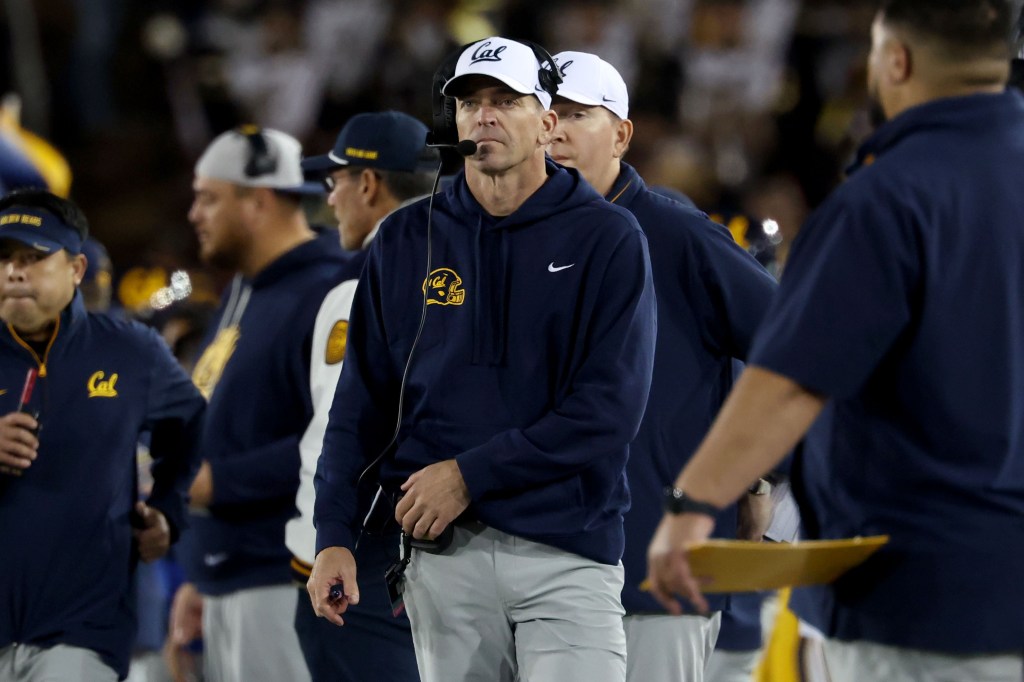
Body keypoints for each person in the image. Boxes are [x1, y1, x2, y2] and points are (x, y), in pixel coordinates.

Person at [646, 2, 1024, 681]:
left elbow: (793, 381)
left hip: (923, 600)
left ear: (896, 61)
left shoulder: (889, 197)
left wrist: (691, 504)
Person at [308, 36, 657, 682]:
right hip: (445, 561)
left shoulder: (607, 238)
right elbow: (360, 403)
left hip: (566, 550)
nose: (484, 116)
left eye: (505, 101)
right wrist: (333, 533)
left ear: (547, 121)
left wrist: (470, 474)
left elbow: (608, 409)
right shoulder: (408, 240)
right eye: (470, 103)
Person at [547, 51, 778, 682]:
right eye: (545, 115)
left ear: (621, 134)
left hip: (655, 579)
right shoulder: (513, 240)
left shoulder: (678, 235)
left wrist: (757, 474)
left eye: (575, 114)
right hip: (539, 577)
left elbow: (796, 351)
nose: (555, 130)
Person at [0, 188, 205, 681]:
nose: (13, 272)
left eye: (34, 257)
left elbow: (193, 424)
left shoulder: (130, 352)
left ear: (75, 269)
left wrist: (168, 512)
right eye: (4, 257)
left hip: (83, 628)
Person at [169, 127, 348, 682]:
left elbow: (343, 437)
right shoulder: (245, 288)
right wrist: (200, 575)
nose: (195, 213)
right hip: (229, 574)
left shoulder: (328, 289)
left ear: (260, 200)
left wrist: (217, 482)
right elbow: (229, 426)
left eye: (209, 197)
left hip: (284, 577)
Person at [286, 111, 438, 681]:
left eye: (335, 183)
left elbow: (342, 432)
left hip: (367, 562)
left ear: (368, 184)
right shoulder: (465, 269)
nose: (331, 202)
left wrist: (324, 544)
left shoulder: (358, 288)